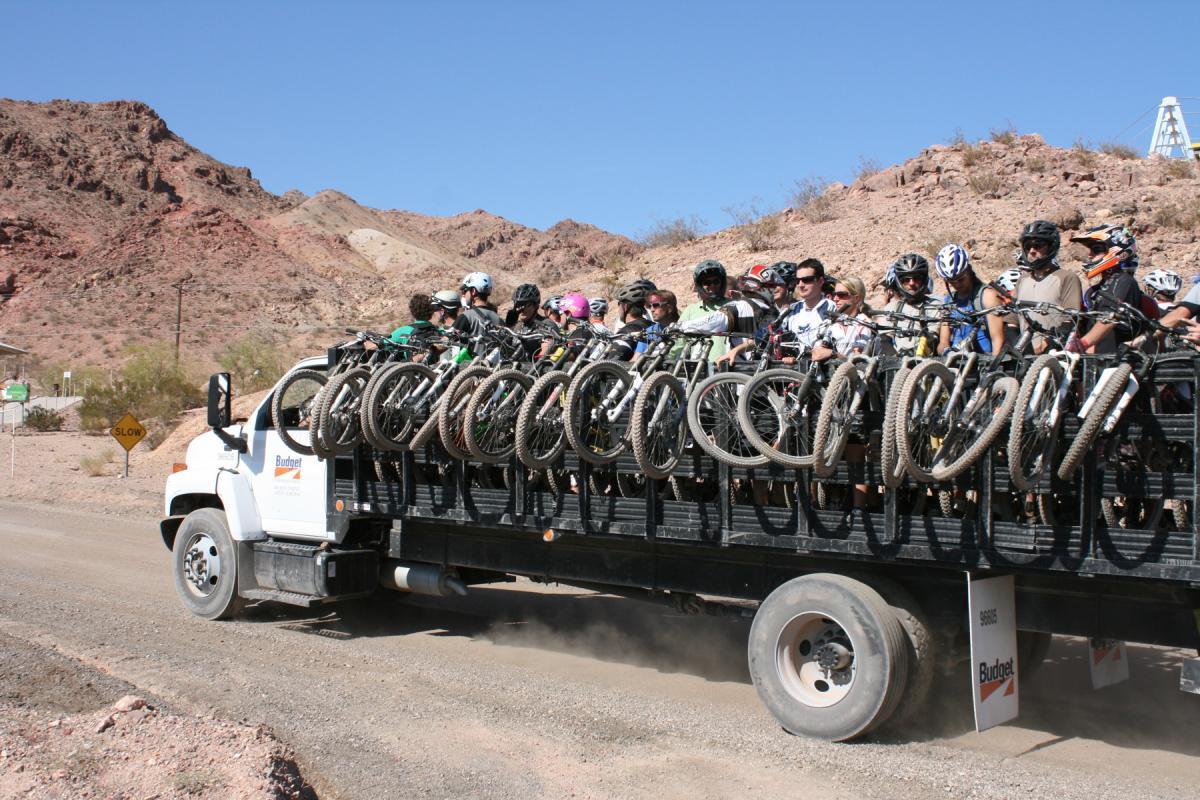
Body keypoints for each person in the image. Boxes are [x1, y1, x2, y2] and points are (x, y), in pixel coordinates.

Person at [1067, 224, 1149, 354]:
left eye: (1096, 249)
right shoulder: (1096, 289)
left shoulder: (1125, 281)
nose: (1090, 255)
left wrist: (1082, 344)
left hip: (1117, 361)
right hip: (1097, 360)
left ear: (1116, 250)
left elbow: (1110, 319)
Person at [679, 266, 782, 364]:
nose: (774, 289)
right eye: (772, 286)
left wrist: (680, 326)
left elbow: (712, 322)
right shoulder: (774, 312)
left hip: (740, 372)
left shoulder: (738, 306)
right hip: (765, 373)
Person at [1013, 220, 1082, 353]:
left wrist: (1047, 344)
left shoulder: (1066, 278)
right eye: (1028, 246)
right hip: (1024, 355)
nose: (1032, 251)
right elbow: (1012, 320)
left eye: (1038, 246)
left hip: (1054, 354)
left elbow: (1071, 320)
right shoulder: (1022, 280)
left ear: (1051, 247)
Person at [934, 244, 1005, 355]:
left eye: (961, 279)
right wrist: (945, 351)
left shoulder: (988, 296)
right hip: (956, 362)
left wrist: (993, 368)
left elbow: (998, 340)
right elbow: (943, 342)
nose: (957, 284)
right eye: (952, 281)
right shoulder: (948, 301)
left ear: (968, 270)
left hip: (983, 362)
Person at [877, 253, 939, 356]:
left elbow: (933, 338)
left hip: (925, 363)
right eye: (906, 279)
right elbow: (885, 339)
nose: (911, 283)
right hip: (896, 363)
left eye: (916, 278)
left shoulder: (935, 306)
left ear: (924, 280)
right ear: (899, 282)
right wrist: (895, 357)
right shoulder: (891, 307)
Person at [775, 259, 837, 361]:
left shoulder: (832, 308)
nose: (801, 285)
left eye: (807, 280)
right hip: (793, 372)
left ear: (821, 281)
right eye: (797, 281)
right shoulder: (791, 310)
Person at [680, 260, 731, 360]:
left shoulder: (734, 306)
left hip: (728, 367)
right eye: (707, 283)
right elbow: (679, 342)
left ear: (722, 283)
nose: (712, 285)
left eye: (716, 281)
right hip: (697, 368)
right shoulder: (691, 310)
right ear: (700, 285)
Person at [451, 272, 502, 355]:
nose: (463, 295)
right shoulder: (499, 319)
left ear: (473, 291)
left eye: (464, 291)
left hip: (470, 366)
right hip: (492, 367)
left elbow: (447, 340)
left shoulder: (466, 316)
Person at [824, 276, 874, 356]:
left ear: (856, 298)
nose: (835, 299)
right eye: (834, 294)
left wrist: (833, 354)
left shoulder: (865, 324)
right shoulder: (833, 323)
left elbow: (858, 361)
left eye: (841, 295)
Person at [608, 282, 652, 361]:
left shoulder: (627, 331)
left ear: (625, 306)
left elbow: (611, 363)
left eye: (619, 304)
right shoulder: (652, 326)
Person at [636, 289, 680, 355]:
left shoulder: (686, 327)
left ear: (669, 307)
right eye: (649, 306)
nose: (651, 309)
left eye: (656, 305)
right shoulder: (649, 332)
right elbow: (636, 358)